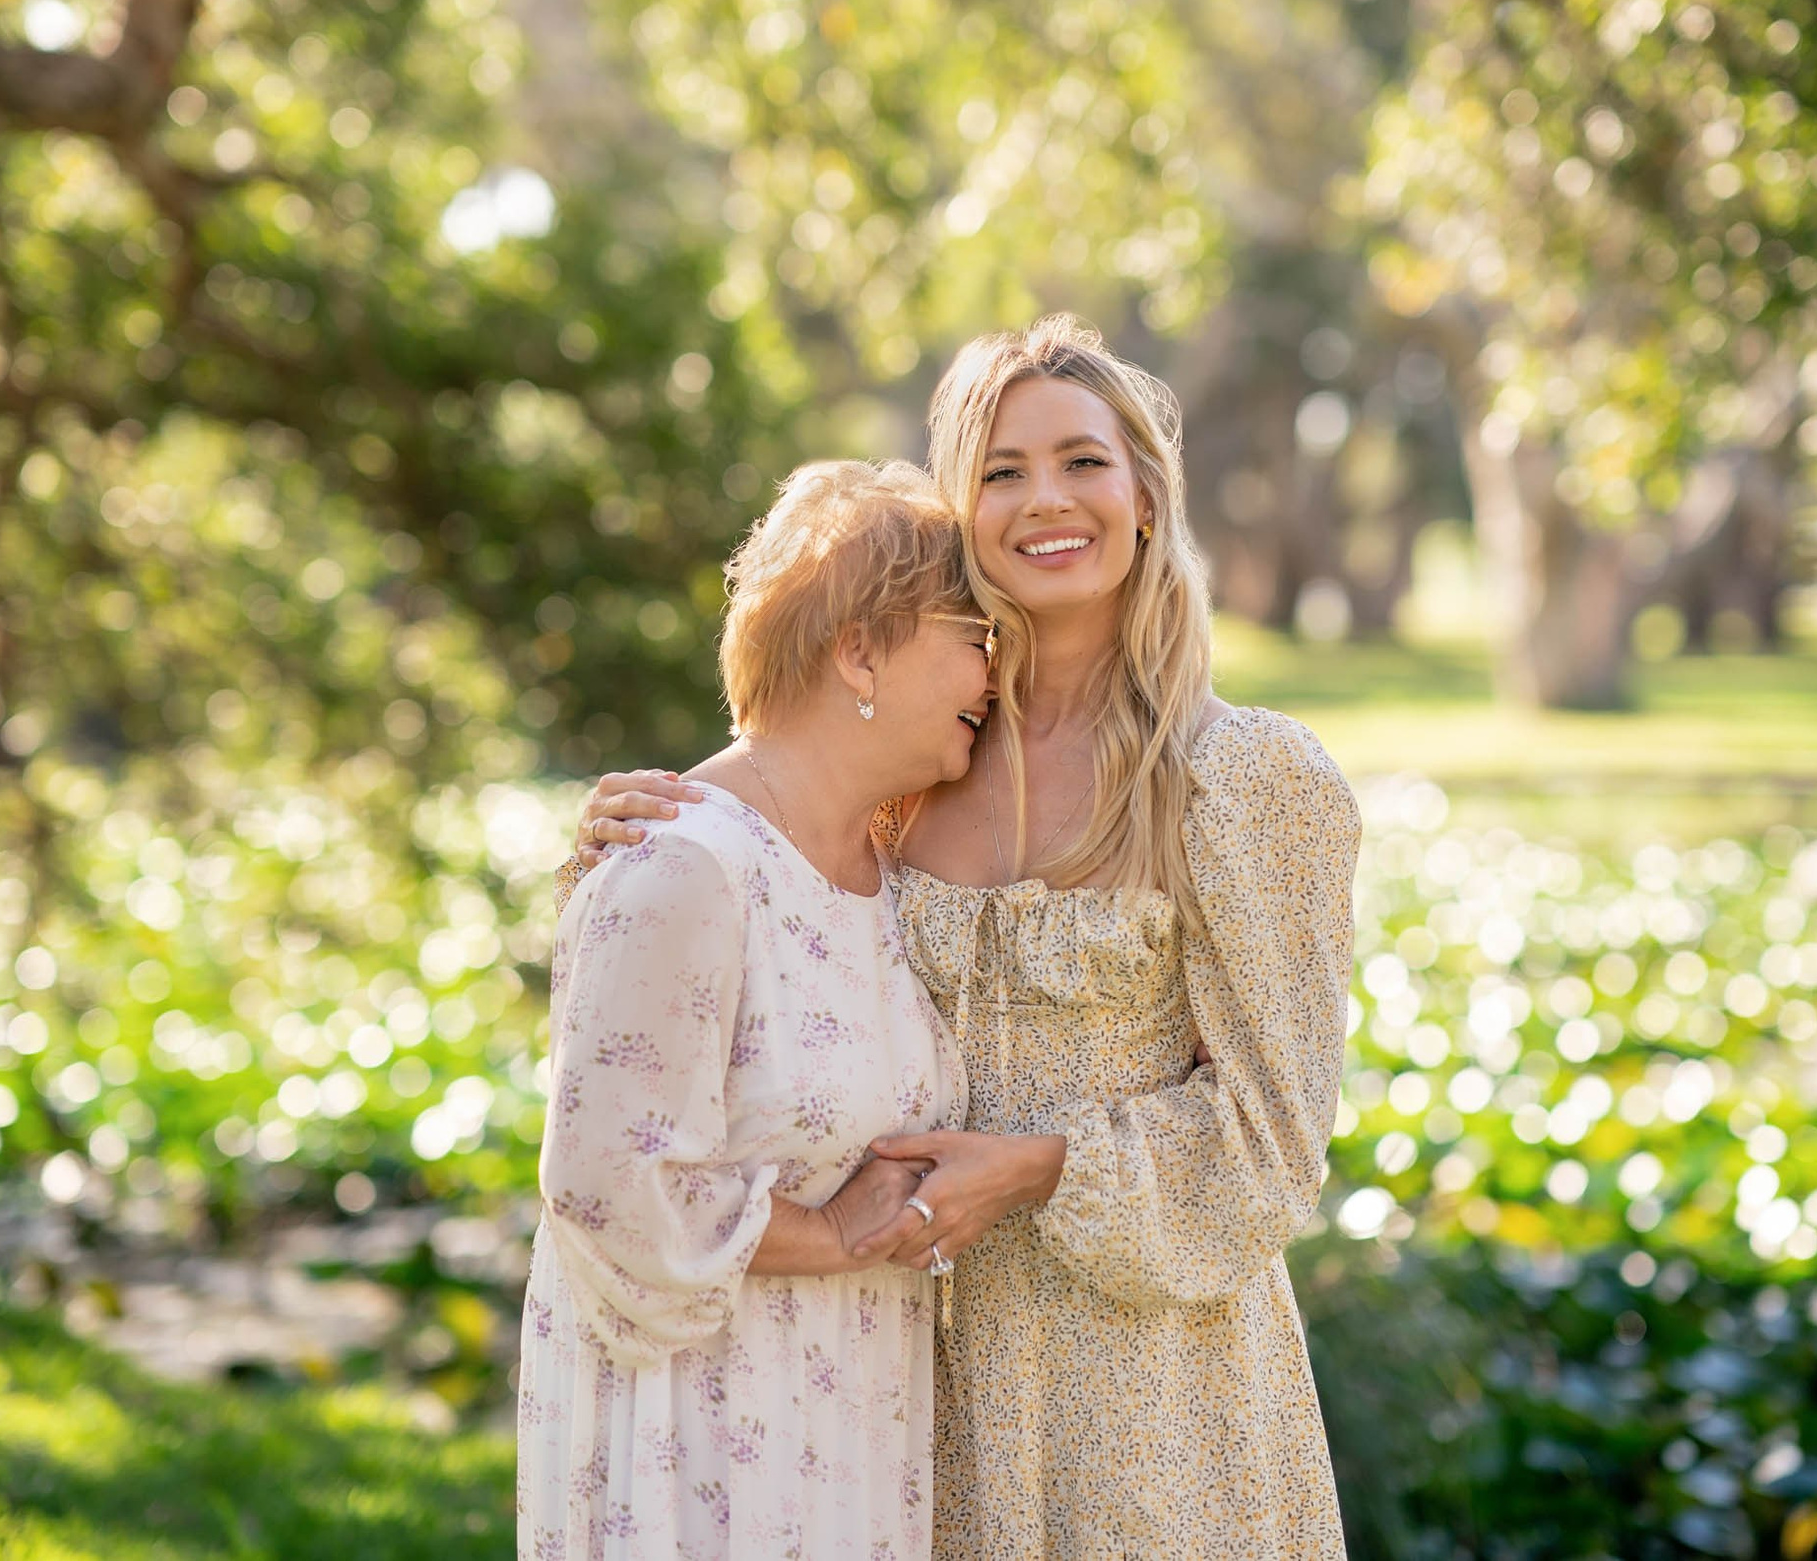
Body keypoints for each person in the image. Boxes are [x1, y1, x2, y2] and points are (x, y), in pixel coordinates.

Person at [568, 318, 1359, 1560]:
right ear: (962, 507)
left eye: (1083, 461)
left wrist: (1039, 1164)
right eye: (1001, 470)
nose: (1046, 498)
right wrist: (647, 823)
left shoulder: (1243, 777)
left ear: (1145, 494)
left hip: (1150, 1381)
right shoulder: (914, 764)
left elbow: (1275, 1135)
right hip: (895, 1368)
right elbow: (747, 899)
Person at [519, 459, 993, 1560]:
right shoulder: (683, 863)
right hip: (703, 1445)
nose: (994, 672)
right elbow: (608, 1179)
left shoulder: (888, 873)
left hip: (853, 1420)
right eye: (972, 635)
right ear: (859, 647)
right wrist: (829, 1233)